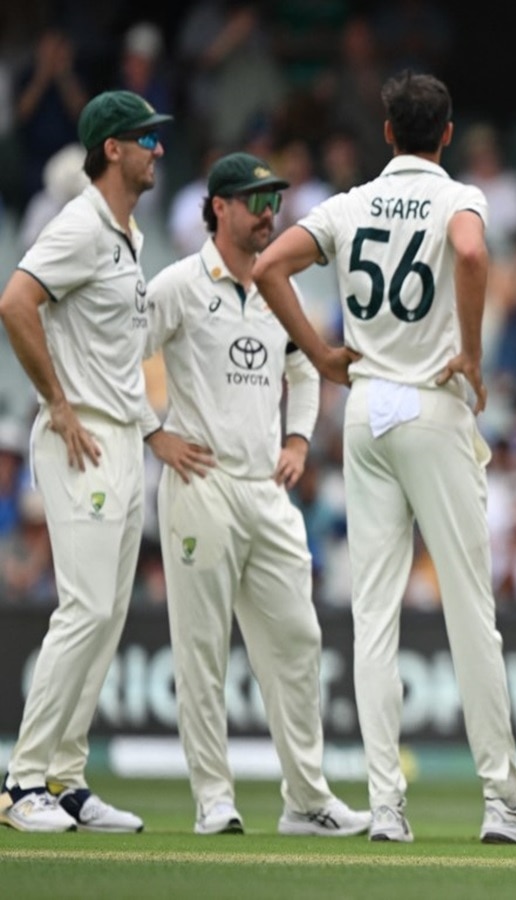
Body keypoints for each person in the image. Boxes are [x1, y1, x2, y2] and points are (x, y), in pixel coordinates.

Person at [250, 70, 516, 845]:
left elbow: (266, 268)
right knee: (470, 610)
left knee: (373, 615)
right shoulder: (460, 198)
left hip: (365, 408)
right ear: (448, 134)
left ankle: (387, 807)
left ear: (387, 133)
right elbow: (468, 253)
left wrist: (322, 353)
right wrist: (468, 350)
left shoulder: (350, 203)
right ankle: (503, 799)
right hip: (430, 402)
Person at [143, 151, 371, 838]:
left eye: (273, 199)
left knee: (298, 643)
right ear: (218, 207)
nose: (268, 212)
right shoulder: (179, 285)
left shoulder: (279, 288)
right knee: (202, 649)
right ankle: (214, 797)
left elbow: (304, 368)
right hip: (200, 483)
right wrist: (156, 434)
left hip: (267, 490)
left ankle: (306, 800)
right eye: (254, 200)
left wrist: (298, 440)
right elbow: (121, 357)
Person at [0, 89, 193, 833]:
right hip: (80, 438)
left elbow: (114, 359)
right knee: (82, 610)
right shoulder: (79, 224)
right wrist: (57, 401)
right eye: (147, 138)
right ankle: (21, 785)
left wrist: (149, 432)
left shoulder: (127, 237)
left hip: (119, 438)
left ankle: (67, 779)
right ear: (111, 148)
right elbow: (16, 301)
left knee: (107, 614)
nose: (159, 150)